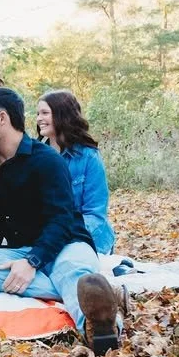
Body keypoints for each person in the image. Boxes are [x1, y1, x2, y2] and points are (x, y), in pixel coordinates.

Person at [0, 88, 127, 355]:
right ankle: (103, 294)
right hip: (22, 248)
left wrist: (33, 262)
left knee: (71, 269)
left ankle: (100, 325)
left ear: (2, 118)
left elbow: (62, 219)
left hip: (66, 242)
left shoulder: (47, 160)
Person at [36, 90, 116, 254]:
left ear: (62, 115)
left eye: (45, 113)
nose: (38, 119)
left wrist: (59, 235)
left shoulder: (89, 157)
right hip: (44, 239)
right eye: (38, 113)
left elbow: (95, 214)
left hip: (86, 239)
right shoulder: (35, 155)